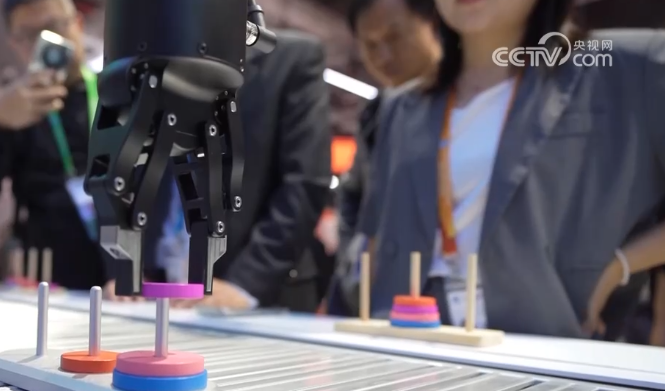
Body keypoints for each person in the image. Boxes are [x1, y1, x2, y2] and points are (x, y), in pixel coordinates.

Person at [359, 0, 665, 337]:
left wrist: (620, 266)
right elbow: (377, 238)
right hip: (413, 339)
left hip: (552, 341)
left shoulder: (627, 66)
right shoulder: (403, 106)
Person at [151, 31, 332, 312]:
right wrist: (130, 268)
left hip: (255, 297)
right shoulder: (155, 64)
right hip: (159, 291)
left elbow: (305, 182)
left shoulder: (292, 59)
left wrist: (245, 284)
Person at [0, 0, 107, 290]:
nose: (46, 41)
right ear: (15, 43)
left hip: (132, 275)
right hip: (50, 281)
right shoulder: (11, 109)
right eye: (29, 34)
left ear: (78, 24)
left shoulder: (116, 92)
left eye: (54, 26)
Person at [325, 0, 441, 316]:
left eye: (395, 37)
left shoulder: (464, 105)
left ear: (433, 23)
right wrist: (353, 260)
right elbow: (353, 195)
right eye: (370, 45)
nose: (384, 56)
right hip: (373, 297)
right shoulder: (377, 112)